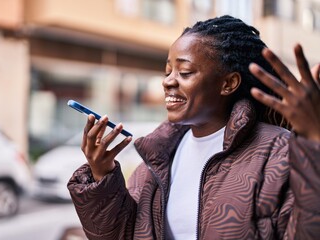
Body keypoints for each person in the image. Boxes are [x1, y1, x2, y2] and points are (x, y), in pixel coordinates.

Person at [67, 15, 320, 239]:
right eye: (168, 71)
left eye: (185, 72)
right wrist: (102, 174)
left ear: (228, 83)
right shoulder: (158, 157)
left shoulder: (278, 151)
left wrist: (315, 140)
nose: (168, 82)